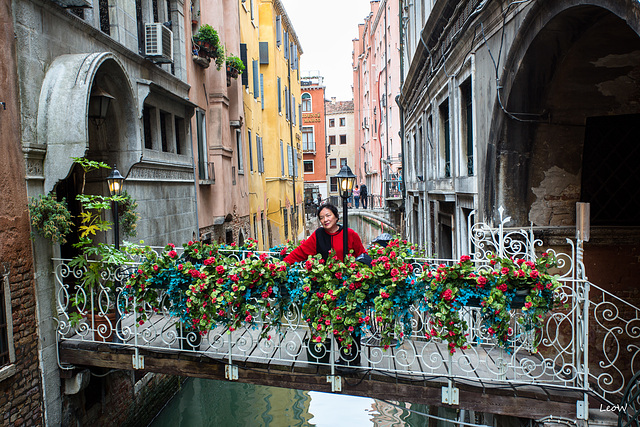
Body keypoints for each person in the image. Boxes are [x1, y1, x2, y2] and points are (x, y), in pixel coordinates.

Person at [283, 203, 366, 263]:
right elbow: (301, 251)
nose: (325, 220)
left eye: (328, 215)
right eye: (322, 218)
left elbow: (362, 255)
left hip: (347, 280)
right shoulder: (318, 234)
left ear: (336, 217)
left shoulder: (349, 233)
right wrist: (283, 264)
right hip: (325, 281)